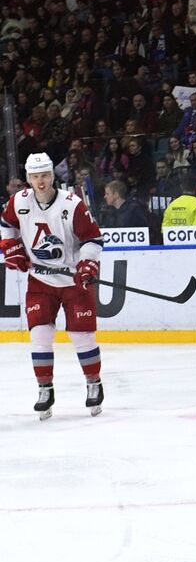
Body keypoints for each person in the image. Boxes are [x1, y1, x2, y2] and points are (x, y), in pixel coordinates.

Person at [1, 152, 105, 419]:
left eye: (45, 175)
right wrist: (10, 246)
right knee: (40, 336)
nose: (41, 181)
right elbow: (6, 225)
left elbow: (93, 238)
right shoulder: (19, 201)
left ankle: (94, 383)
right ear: (28, 179)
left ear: (52, 175)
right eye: (35, 176)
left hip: (72, 281)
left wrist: (87, 262)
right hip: (40, 280)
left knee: (82, 336)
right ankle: (45, 389)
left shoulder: (72, 204)